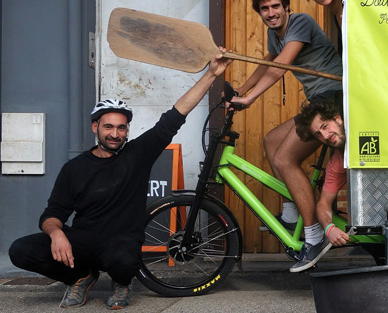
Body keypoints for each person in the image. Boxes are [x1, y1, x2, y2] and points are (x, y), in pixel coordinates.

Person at [8, 53, 230, 309]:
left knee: (124, 258)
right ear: (95, 127)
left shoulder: (138, 155)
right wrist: (56, 232)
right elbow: (53, 213)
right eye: (108, 127)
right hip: (83, 240)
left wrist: (211, 74)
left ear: (127, 130)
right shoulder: (74, 169)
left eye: (121, 128)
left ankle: (122, 283)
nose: (115, 134)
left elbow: (175, 115)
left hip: (120, 242)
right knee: (21, 250)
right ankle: (80, 277)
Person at [229, 0, 343, 272]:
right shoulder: (273, 34)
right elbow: (266, 64)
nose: (271, 13)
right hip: (318, 101)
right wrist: (240, 92)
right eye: (264, 8)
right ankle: (292, 213)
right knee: (270, 141)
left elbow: (281, 65)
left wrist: (251, 99)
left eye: (275, 6)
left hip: (333, 98)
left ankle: (315, 235)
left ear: (286, 7)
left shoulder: (301, 22)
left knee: (284, 158)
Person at [291, 97, 351, 270]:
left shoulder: (369, 132)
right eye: (318, 134)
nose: (325, 136)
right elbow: (323, 204)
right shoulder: (337, 163)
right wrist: (329, 228)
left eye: (325, 126)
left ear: (338, 118)